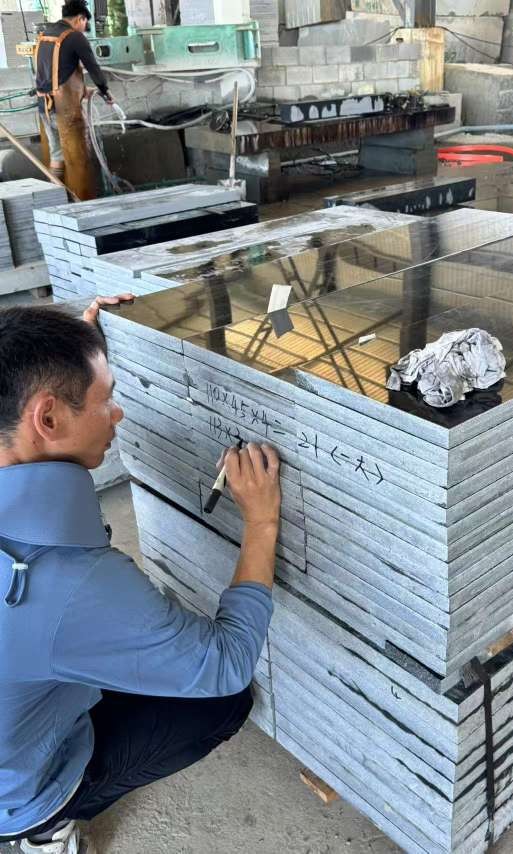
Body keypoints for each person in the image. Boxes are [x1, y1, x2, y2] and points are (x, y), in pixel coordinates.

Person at [0, 298, 281, 854]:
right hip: (16, 788)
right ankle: (45, 828)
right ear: (47, 418)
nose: (118, 414)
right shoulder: (71, 584)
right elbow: (225, 662)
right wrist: (262, 520)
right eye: (106, 399)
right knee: (223, 702)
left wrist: (76, 352)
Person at [35, 0, 114, 200]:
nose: (84, 27)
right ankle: (82, 206)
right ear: (80, 18)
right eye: (85, 22)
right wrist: (105, 91)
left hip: (44, 107)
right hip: (65, 110)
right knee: (79, 160)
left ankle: (55, 201)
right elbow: (93, 67)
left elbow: (56, 73)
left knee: (57, 155)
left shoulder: (45, 35)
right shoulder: (75, 37)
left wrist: (83, 90)